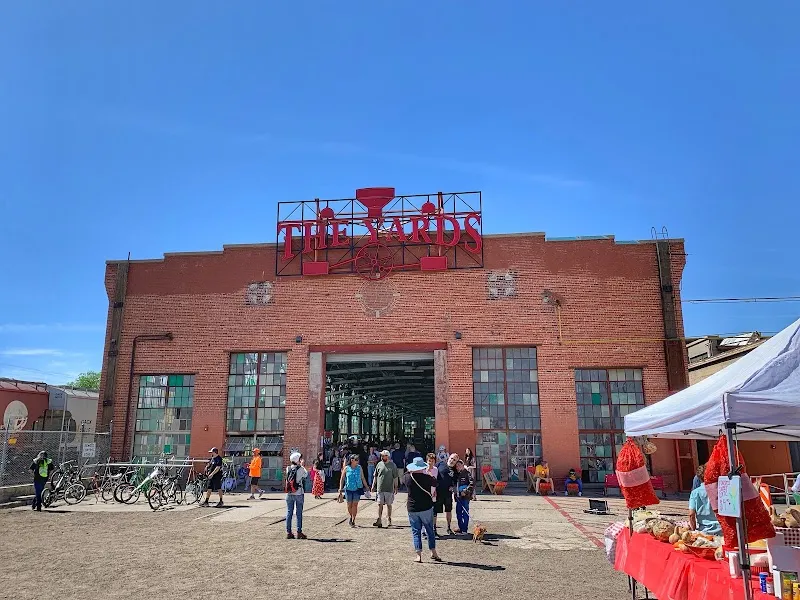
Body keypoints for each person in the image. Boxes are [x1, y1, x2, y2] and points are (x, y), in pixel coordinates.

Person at [403, 457, 441, 563]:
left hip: (412, 508)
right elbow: (436, 483)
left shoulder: (407, 478)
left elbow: (405, 475)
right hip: (426, 507)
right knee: (430, 530)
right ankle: (433, 552)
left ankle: (418, 555)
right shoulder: (427, 478)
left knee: (416, 531)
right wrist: (428, 474)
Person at [689, 464, 721, 535]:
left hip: (704, 532)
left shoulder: (695, 493)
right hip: (721, 530)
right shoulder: (720, 490)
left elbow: (691, 514)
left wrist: (693, 531)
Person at [339, 454, 369, 527]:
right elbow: (342, 478)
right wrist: (340, 488)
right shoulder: (346, 468)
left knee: (355, 504)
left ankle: (353, 519)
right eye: (356, 460)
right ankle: (350, 516)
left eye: (358, 460)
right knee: (349, 505)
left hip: (357, 488)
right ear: (352, 460)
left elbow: (362, 477)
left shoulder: (359, 468)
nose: (358, 461)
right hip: (348, 489)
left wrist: (366, 486)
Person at [371, 450, 399, 528]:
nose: (382, 457)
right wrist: (373, 486)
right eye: (382, 456)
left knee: (389, 505)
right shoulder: (379, 464)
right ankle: (379, 519)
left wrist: (396, 487)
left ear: (387, 456)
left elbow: (395, 477)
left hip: (389, 488)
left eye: (384, 455)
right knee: (379, 504)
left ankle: (389, 519)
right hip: (380, 488)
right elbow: (375, 476)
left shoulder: (393, 465)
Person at [285, 452, 308, 539]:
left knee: (289, 512)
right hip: (298, 492)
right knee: (299, 513)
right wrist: (302, 465)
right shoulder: (301, 469)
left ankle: (288, 532)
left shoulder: (288, 468)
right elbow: (306, 475)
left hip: (289, 493)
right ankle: (299, 532)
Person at [436, 453, 458, 535]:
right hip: (438, 492)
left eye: (454, 460)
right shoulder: (440, 464)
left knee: (448, 511)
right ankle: (434, 529)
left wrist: (452, 487)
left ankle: (448, 528)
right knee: (436, 511)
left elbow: (455, 482)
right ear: (449, 458)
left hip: (448, 494)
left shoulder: (455, 471)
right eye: (452, 458)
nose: (452, 460)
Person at [453, 459, 475, 534]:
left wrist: (465, 491)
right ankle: (461, 527)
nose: (457, 467)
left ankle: (465, 529)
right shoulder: (456, 474)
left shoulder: (467, 473)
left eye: (459, 465)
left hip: (465, 497)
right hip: (458, 497)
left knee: (465, 512)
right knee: (458, 512)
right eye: (456, 466)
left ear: (462, 465)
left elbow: (472, 484)